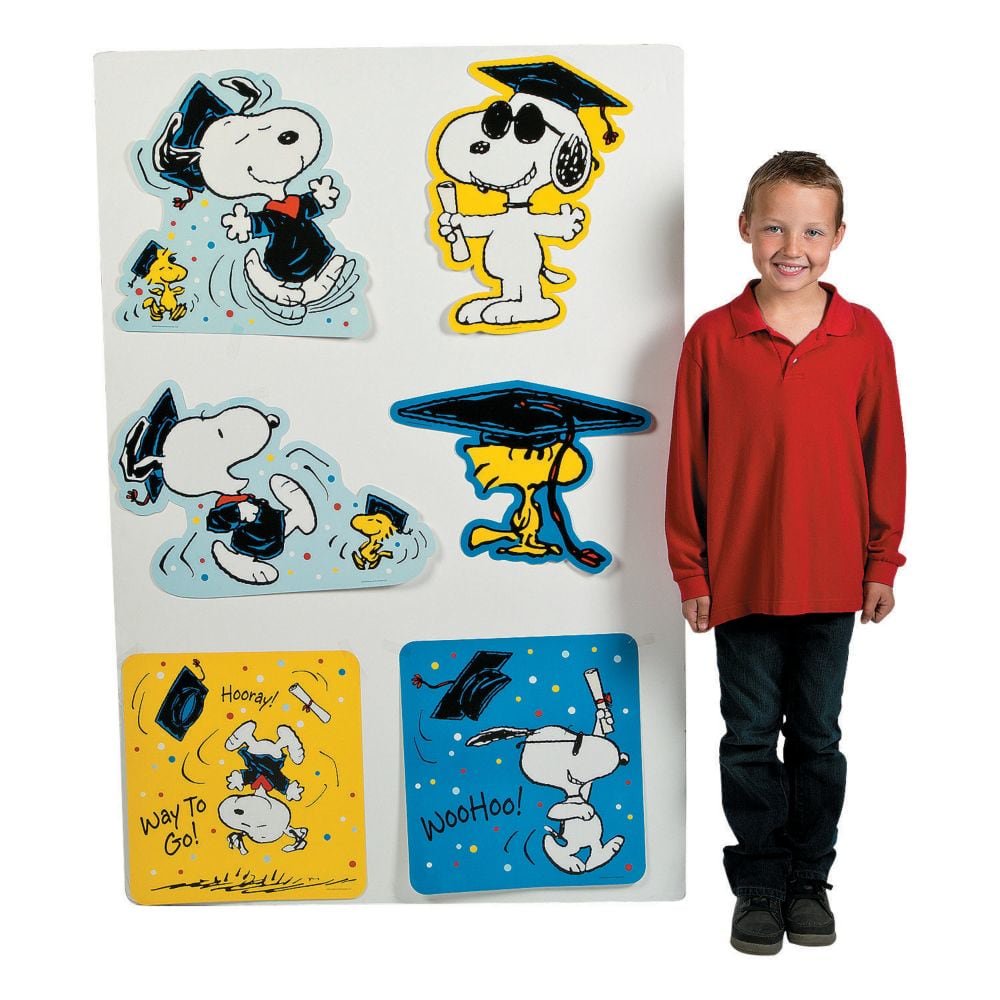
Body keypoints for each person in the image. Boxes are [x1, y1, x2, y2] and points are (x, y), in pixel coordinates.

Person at [665, 151, 906, 955]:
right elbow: (687, 462)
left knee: (817, 739)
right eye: (774, 227)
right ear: (745, 228)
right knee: (746, 737)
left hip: (833, 580)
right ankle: (760, 885)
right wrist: (691, 569)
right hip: (739, 580)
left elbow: (885, 454)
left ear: (838, 237)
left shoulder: (863, 335)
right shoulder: (713, 337)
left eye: (811, 231)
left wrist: (882, 562)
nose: (791, 246)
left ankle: (809, 880)